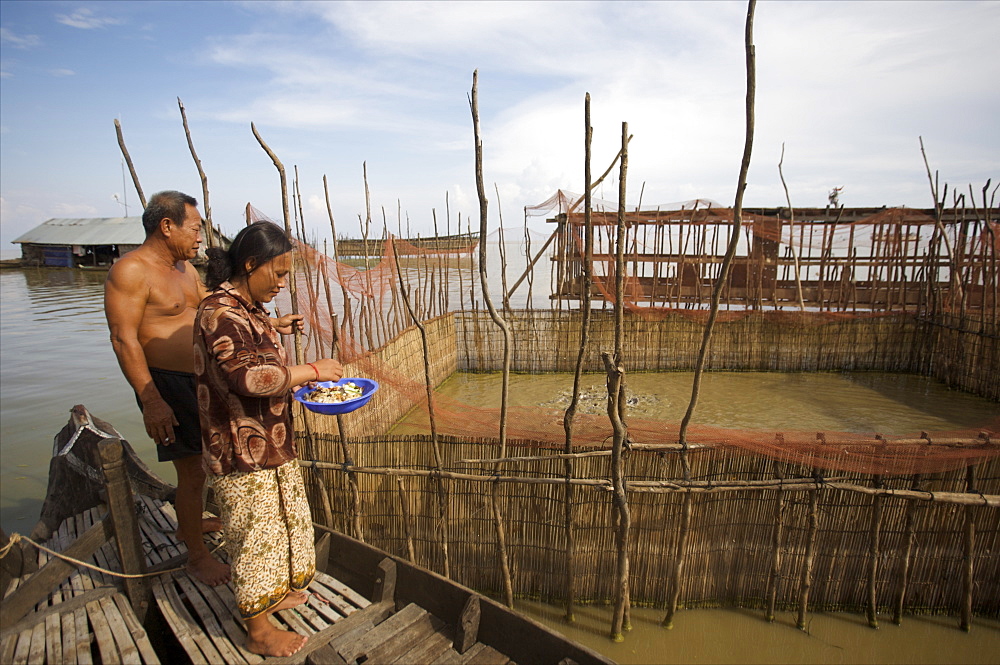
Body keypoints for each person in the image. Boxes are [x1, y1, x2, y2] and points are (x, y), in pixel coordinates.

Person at [195, 220, 343, 658]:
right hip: (239, 448)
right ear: (250, 264)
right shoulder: (219, 311)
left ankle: (274, 595)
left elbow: (253, 349)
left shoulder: (247, 308)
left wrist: (273, 329)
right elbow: (248, 376)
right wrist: (312, 371)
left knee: (280, 524)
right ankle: (257, 630)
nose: (282, 283)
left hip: (268, 441)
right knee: (254, 535)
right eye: (277, 274)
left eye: (286, 275)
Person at [104, 190, 231, 587]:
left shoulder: (184, 269)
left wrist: (268, 324)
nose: (199, 238)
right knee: (192, 470)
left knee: (202, 464)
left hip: (198, 381)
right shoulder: (131, 271)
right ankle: (196, 555)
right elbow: (124, 339)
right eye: (194, 229)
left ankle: (187, 525)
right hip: (167, 385)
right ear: (166, 226)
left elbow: (208, 305)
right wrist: (152, 401)